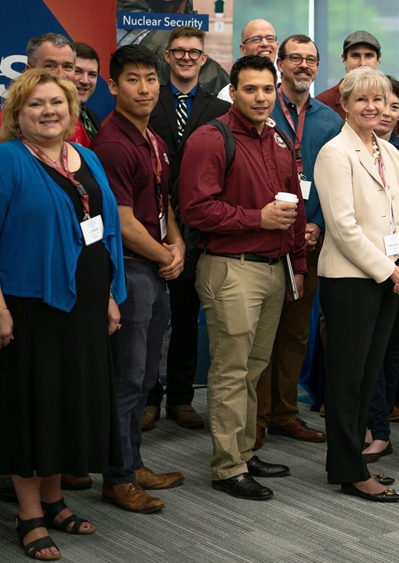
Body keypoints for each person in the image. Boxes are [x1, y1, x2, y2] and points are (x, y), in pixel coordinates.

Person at [0, 69, 126, 560]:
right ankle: (29, 513)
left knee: (65, 406)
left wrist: (111, 296)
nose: (48, 111)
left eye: (57, 102)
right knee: (30, 410)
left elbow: (107, 232)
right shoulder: (5, 161)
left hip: (83, 310)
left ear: (72, 111)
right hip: (27, 309)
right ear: (17, 114)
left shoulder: (87, 158)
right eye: (35, 104)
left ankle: (54, 501)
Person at [179, 55, 306, 501]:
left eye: (267, 89)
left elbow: (295, 210)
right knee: (231, 371)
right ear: (232, 92)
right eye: (250, 89)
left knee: (253, 370)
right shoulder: (210, 139)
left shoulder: (278, 139)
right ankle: (227, 466)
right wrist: (258, 218)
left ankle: (245, 450)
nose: (260, 97)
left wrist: (299, 263)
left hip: (274, 269)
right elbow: (195, 209)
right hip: (231, 268)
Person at [314, 66, 399, 502]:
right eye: (362, 99)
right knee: (346, 379)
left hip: (388, 279)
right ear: (343, 104)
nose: (372, 107)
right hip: (350, 281)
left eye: (379, 100)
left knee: (368, 376)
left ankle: (350, 463)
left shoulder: (391, 152)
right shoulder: (334, 154)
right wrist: (392, 270)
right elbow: (343, 227)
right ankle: (349, 468)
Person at [91, 45, 187, 513]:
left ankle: (133, 462)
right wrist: (165, 253)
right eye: (133, 79)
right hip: (129, 269)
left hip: (155, 266)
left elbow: (163, 203)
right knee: (127, 378)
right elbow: (123, 222)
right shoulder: (111, 144)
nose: (145, 88)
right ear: (113, 85)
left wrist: (178, 245)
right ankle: (117, 477)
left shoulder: (154, 140)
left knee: (146, 374)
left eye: (151, 79)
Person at [254, 34, 342, 451]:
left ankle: (286, 413)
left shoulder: (330, 120)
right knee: (262, 331)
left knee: (294, 333)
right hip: (267, 236)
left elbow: (336, 182)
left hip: (312, 240)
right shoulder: (261, 109)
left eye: (311, 60)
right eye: (295, 59)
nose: (303, 66)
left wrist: (318, 224)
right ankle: (257, 416)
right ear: (279, 64)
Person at [146, 25, 230, 431]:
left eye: (193, 53)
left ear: (203, 59)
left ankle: (180, 398)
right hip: (147, 223)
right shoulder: (147, 101)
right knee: (145, 317)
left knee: (184, 314)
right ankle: (148, 397)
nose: (185, 58)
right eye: (177, 52)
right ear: (167, 56)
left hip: (196, 227)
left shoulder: (217, 110)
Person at [362, 75, 399, 462]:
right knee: (366, 352)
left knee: (390, 351)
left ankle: (380, 422)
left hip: (398, 263)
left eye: (394, 106)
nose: (385, 112)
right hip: (362, 265)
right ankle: (371, 423)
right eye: (379, 103)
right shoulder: (349, 149)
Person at [0, 33, 91, 157]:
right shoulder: (1, 127)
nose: (61, 74)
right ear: (29, 70)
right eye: (50, 66)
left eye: (67, 67)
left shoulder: (70, 120)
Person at [315, 31, 382, 121]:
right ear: (344, 59)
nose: (362, 63)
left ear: (378, 59)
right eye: (355, 56)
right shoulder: (324, 102)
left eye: (369, 56)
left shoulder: (390, 99)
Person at [217, 19, 277, 104]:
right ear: (243, 49)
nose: (265, 44)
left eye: (270, 38)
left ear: (277, 46)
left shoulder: (287, 87)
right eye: (256, 39)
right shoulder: (227, 95)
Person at [73, 42, 102, 140]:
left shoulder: (92, 117)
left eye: (92, 75)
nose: (85, 81)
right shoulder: (53, 119)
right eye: (77, 71)